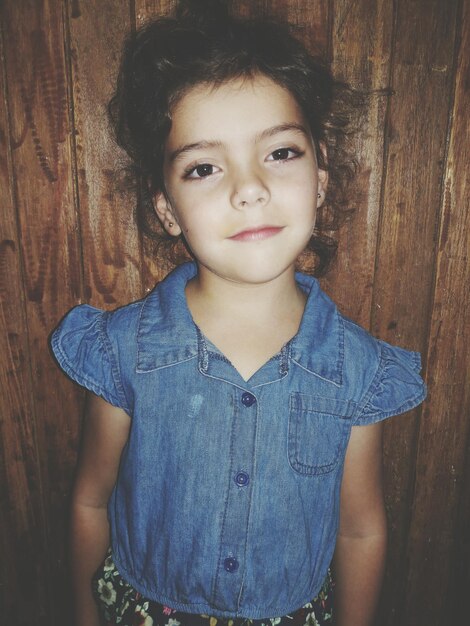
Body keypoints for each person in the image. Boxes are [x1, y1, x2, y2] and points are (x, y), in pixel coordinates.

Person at [50, 1, 426, 625]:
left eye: (279, 153)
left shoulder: (359, 372)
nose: (248, 188)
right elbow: (91, 501)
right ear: (167, 208)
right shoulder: (122, 352)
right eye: (203, 167)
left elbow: (361, 532)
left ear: (321, 177)